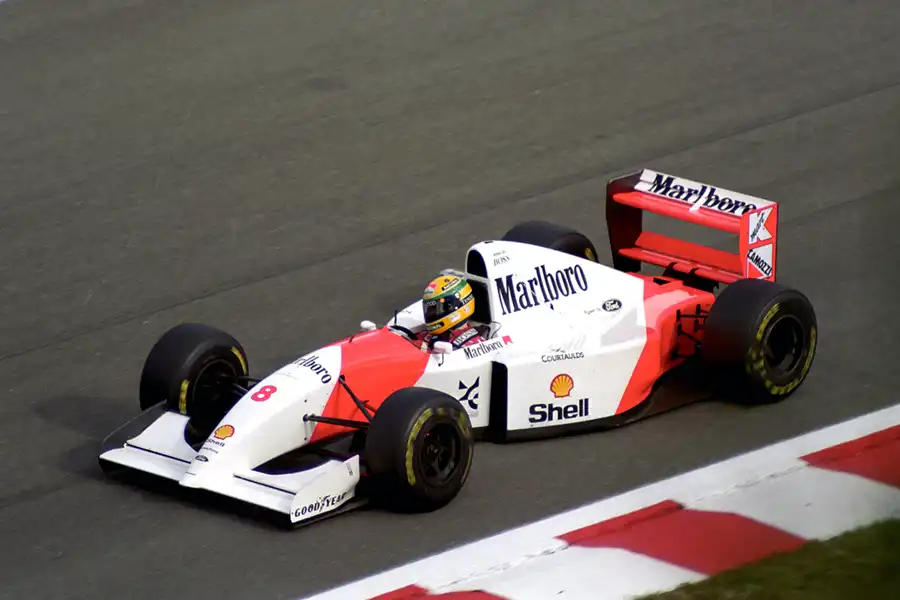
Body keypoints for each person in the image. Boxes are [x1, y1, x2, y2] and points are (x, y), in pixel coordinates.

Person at [418, 274, 485, 351]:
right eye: (429, 310)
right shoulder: (430, 335)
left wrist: (426, 351)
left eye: (436, 309)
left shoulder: (474, 345)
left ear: (453, 307)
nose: (431, 313)